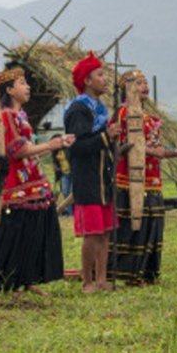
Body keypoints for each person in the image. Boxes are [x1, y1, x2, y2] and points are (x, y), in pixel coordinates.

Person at [0, 66, 73, 295]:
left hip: (32, 178)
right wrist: (51, 145)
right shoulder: (7, 115)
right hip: (17, 182)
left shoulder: (19, 115)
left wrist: (57, 143)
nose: (28, 87)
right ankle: (11, 282)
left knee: (33, 229)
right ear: (10, 90)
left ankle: (29, 279)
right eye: (22, 83)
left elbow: (28, 150)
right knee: (18, 230)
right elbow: (17, 150)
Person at [108, 70, 177, 285]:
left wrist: (176, 152)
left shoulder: (147, 117)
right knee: (134, 227)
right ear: (127, 87)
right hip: (130, 181)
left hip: (152, 179)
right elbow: (120, 146)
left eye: (145, 82)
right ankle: (130, 275)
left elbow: (157, 149)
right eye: (138, 83)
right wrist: (150, 151)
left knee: (153, 224)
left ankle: (147, 273)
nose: (144, 86)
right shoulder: (123, 113)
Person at [63, 51, 120, 293]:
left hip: (103, 179)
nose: (105, 79)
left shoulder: (100, 110)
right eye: (100, 74)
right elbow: (76, 146)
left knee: (105, 232)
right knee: (92, 233)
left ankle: (102, 279)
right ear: (87, 80)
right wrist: (106, 136)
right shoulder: (79, 110)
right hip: (87, 180)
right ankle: (87, 281)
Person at [50, 134, 73, 216]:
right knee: (65, 192)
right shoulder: (55, 152)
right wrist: (56, 168)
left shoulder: (67, 149)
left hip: (72, 172)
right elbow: (55, 163)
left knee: (72, 192)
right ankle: (70, 213)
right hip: (64, 174)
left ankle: (72, 211)